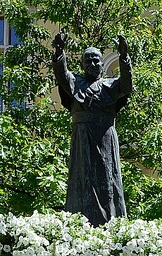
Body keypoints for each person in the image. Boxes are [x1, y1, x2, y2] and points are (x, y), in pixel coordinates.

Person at [53, 33, 132, 225]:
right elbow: (62, 74)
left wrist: (123, 57)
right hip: (81, 140)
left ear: (102, 64)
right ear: (82, 65)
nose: (92, 64)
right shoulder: (75, 83)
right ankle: (78, 225)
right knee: (81, 182)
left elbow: (126, 85)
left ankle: (111, 223)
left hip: (105, 138)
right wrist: (59, 52)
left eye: (96, 60)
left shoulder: (110, 85)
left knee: (107, 181)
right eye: (88, 61)